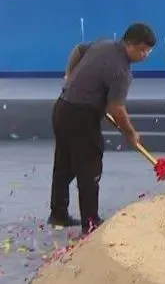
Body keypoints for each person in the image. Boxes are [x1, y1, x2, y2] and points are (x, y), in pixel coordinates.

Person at [49, 23, 154, 234]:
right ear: (129, 44)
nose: (145, 55)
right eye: (142, 50)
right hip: (81, 117)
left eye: (148, 51)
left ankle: (58, 214)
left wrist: (70, 75)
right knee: (89, 169)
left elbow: (78, 49)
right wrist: (130, 133)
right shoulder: (121, 71)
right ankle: (90, 223)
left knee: (64, 164)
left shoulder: (103, 43)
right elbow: (116, 108)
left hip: (62, 108)